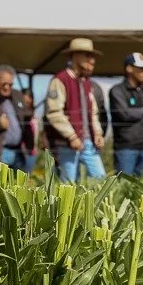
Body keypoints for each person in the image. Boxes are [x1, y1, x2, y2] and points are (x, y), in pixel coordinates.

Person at [44, 38, 106, 182]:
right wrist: (71, 136)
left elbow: (93, 112)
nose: (92, 60)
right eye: (87, 55)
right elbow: (54, 113)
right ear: (74, 56)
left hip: (88, 141)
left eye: (93, 56)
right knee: (68, 183)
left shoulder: (87, 82)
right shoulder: (60, 80)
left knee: (101, 179)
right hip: (66, 143)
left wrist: (98, 133)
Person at [109, 52, 143, 178]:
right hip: (125, 148)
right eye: (140, 68)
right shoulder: (117, 90)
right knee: (123, 185)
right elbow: (124, 114)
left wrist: (134, 117)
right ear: (129, 68)